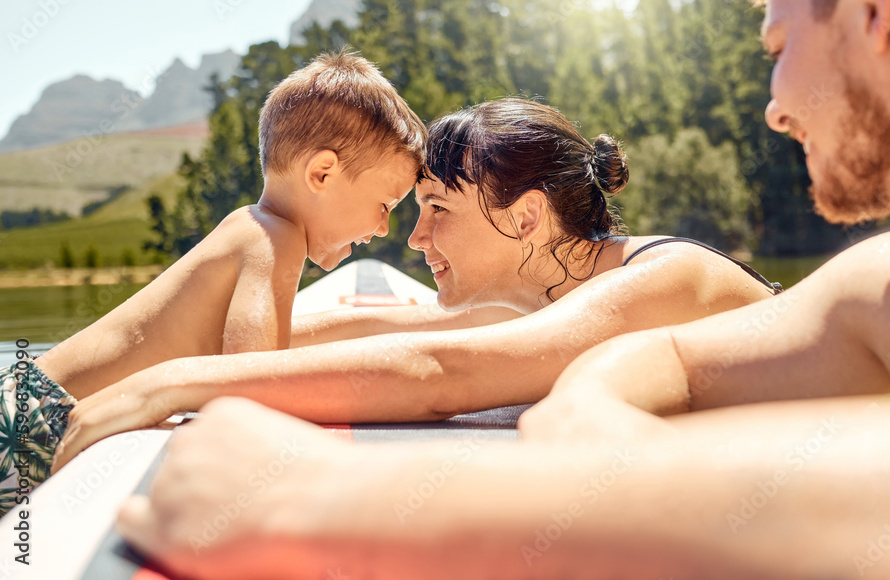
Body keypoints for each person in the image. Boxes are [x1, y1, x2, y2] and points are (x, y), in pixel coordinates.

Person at [116, 0, 890, 578]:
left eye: (775, 46)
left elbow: (452, 365)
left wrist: (309, 491)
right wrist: (589, 410)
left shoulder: (670, 275)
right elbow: (617, 360)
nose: (771, 103)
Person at [50, 97, 780, 469]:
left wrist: (176, 383)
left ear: (526, 218)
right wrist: (151, 357)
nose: (416, 236)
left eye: (436, 210)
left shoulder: (665, 280)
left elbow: (438, 370)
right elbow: (386, 331)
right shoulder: (555, 297)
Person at [0, 50, 425, 513]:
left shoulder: (253, 229)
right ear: (321, 173)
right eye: (385, 205)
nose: (384, 228)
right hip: (33, 420)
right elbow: (252, 382)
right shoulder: (274, 238)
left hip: (27, 402)